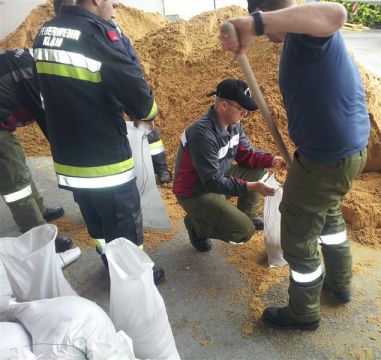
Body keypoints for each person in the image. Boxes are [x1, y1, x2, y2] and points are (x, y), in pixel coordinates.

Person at [220, 0, 370, 330]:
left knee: (298, 235)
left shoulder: (308, 33)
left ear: (267, 11)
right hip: (339, 154)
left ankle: (303, 313)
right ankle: (340, 285)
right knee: (327, 215)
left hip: (326, 160)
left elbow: (337, 14)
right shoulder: (298, 37)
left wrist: (254, 23)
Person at [32, 0, 165, 284]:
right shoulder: (97, 35)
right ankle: (134, 276)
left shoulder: (45, 32)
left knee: (96, 218)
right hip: (105, 159)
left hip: (69, 158)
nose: (115, 4)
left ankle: (108, 260)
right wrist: (149, 113)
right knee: (124, 221)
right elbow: (138, 96)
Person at [173, 78, 284, 251]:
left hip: (218, 176)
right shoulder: (202, 134)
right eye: (241, 109)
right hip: (196, 191)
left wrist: (272, 160)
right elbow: (212, 182)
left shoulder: (234, 125)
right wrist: (251, 186)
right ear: (223, 106)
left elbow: (247, 155)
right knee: (244, 232)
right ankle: (197, 226)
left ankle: (246, 216)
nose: (245, 114)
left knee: (258, 171)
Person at [0, 48, 73, 253]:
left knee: (18, 168)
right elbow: (44, 114)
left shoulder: (28, 59)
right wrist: (66, 149)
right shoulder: (29, 70)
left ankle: (39, 211)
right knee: (16, 185)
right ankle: (38, 237)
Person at [110, 18, 172, 185]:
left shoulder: (113, 27)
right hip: (106, 90)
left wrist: (138, 82)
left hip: (126, 82)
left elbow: (130, 58)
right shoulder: (96, 28)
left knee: (147, 126)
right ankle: (133, 170)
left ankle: (161, 169)